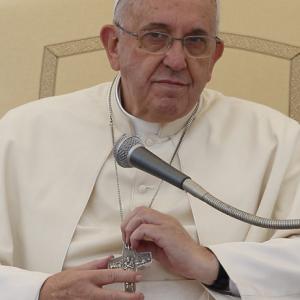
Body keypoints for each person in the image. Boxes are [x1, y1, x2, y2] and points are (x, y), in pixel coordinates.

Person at [1, 0, 300, 299]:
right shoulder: (23, 133)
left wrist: (212, 264)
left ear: (214, 57)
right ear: (114, 46)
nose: (176, 60)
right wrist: (42, 291)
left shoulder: (278, 141)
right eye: (155, 37)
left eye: (196, 41)